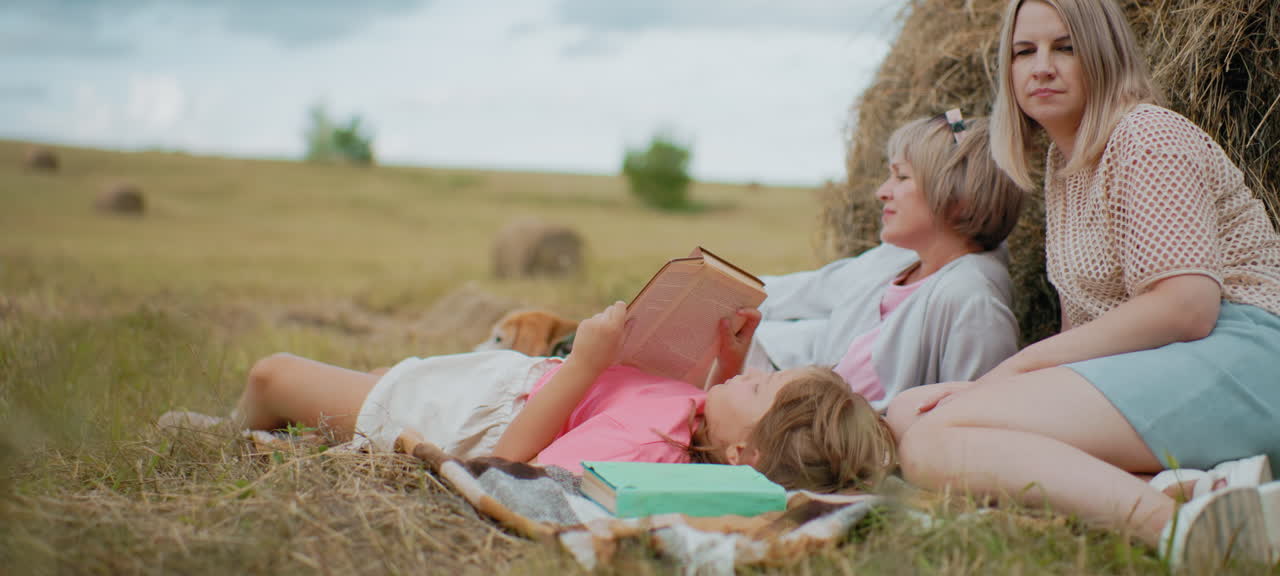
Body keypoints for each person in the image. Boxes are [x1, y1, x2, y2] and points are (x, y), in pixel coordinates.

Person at [887, 0, 1280, 569]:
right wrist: (992, 392)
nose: (1041, 66)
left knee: (937, 439)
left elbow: (1186, 307)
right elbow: (1087, 334)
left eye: (1065, 47)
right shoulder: (1066, 167)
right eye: (1025, 51)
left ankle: (1183, 531)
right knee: (912, 413)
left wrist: (1012, 374)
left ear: (1103, 54)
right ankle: (1201, 486)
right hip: (1174, 366)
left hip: (1249, 353)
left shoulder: (1145, 137)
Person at [206, 302, 897, 494]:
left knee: (273, 373)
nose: (754, 375)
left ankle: (223, 435)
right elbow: (697, 410)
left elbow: (505, 470)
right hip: (486, 384)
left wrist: (585, 361)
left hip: (464, 415)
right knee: (331, 396)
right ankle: (277, 439)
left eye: (763, 385)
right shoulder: (697, 424)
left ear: (743, 452)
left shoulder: (646, 448)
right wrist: (732, 361)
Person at [744, 114, 1025, 408]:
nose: (882, 192)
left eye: (901, 176)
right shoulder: (899, 259)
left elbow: (970, 417)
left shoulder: (972, 302)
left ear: (959, 197)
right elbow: (809, 290)